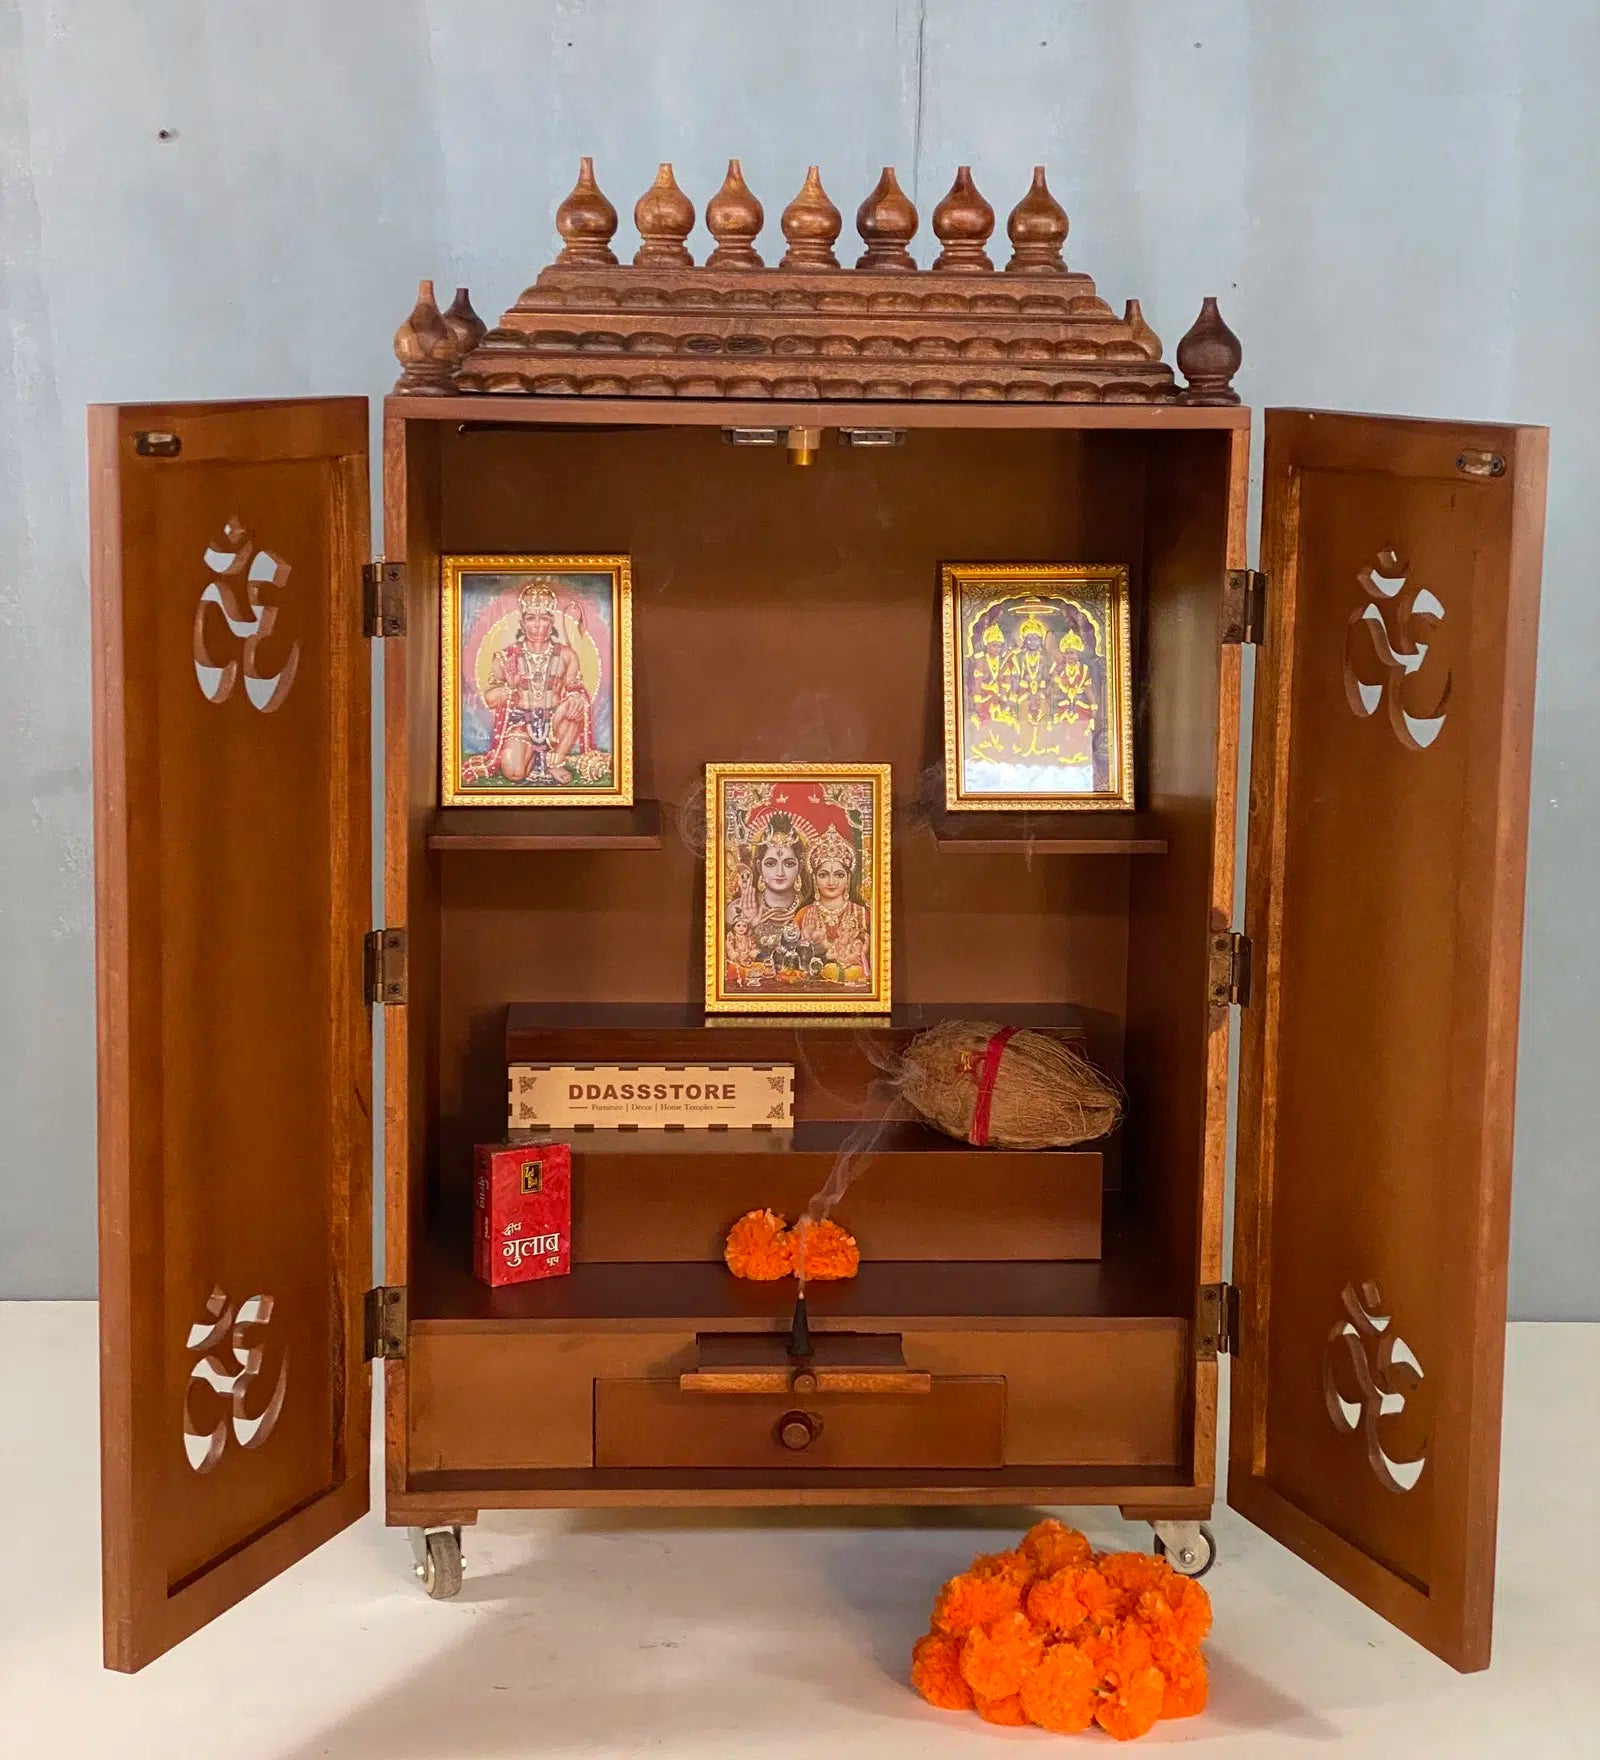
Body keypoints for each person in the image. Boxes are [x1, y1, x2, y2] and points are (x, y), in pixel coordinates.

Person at [466, 580, 592, 784]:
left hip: (557, 724)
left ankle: (555, 760)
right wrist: (511, 688)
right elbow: (490, 699)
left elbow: (574, 687)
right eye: (531, 618)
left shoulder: (567, 655)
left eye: (544, 618)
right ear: (522, 622)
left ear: (552, 622)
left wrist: (576, 696)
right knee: (514, 773)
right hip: (521, 725)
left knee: (576, 704)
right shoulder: (506, 657)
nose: (537, 626)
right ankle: (534, 755)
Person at [725, 814, 810, 984]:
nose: (780, 872)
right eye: (771, 863)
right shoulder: (738, 909)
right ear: (758, 866)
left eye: (789, 863)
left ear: (800, 867)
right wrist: (749, 925)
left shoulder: (810, 911)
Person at [796, 825, 872, 983]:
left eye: (839, 874)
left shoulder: (862, 914)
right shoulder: (804, 915)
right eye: (823, 875)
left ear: (848, 879)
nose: (831, 882)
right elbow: (794, 964)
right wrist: (807, 940)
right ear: (814, 879)